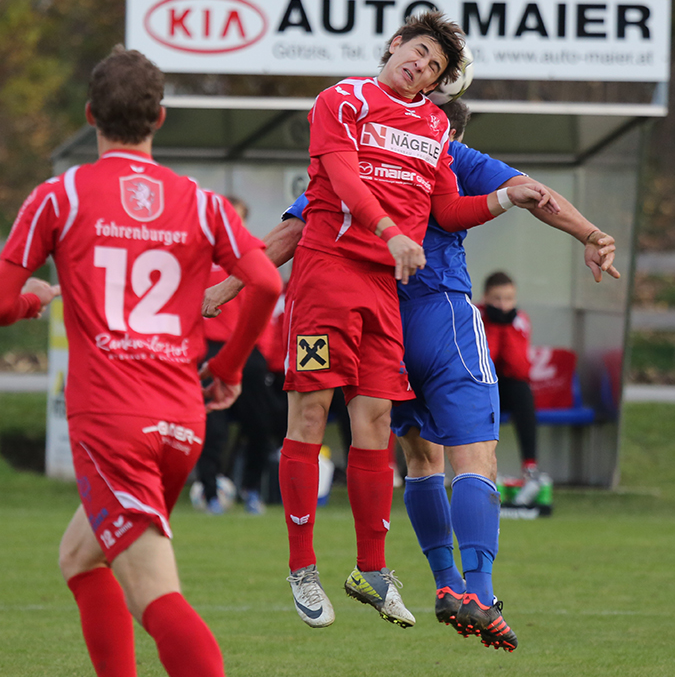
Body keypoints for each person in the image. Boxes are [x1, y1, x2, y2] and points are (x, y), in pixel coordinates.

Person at [203, 96, 618, 650]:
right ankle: (477, 591)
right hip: (440, 313)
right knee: (476, 455)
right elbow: (536, 195)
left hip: (383, 320)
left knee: (420, 458)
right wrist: (590, 234)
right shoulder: (453, 154)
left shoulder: (361, 153)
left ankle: (440, 581)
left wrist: (228, 285)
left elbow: (296, 230)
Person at [0, 47, 281, 677]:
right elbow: (265, 282)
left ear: (90, 115)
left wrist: (31, 302)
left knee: (156, 595)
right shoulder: (202, 203)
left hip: (111, 422)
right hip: (179, 421)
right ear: (159, 119)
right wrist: (230, 369)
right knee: (81, 558)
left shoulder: (59, 197)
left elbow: (1, 300)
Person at [276, 11, 559, 632]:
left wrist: (508, 200)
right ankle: (303, 567)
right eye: (420, 51)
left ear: (437, 87)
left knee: (380, 424)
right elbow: (331, 190)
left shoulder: (434, 129)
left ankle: (375, 571)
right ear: (395, 43)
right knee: (312, 415)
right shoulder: (343, 100)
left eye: (435, 67)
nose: (422, 67)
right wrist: (387, 231)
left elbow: (449, 208)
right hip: (329, 279)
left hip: (388, 294)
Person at [198, 196, 279, 515]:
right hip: (211, 348)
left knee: (259, 424)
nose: (235, 223)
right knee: (212, 427)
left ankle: (251, 490)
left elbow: (267, 301)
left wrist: (265, 354)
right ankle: (210, 492)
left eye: (240, 217)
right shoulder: (200, 254)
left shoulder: (254, 255)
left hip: (249, 351)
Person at [479, 270, 544, 508]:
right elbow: (484, 362)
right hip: (481, 384)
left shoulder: (520, 320)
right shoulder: (475, 316)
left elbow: (519, 368)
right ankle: (478, 470)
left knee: (522, 391)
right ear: (486, 297)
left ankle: (530, 468)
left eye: (508, 299)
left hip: (507, 385)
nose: (503, 305)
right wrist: (496, 328)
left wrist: (505, 328)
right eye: (497, 299)